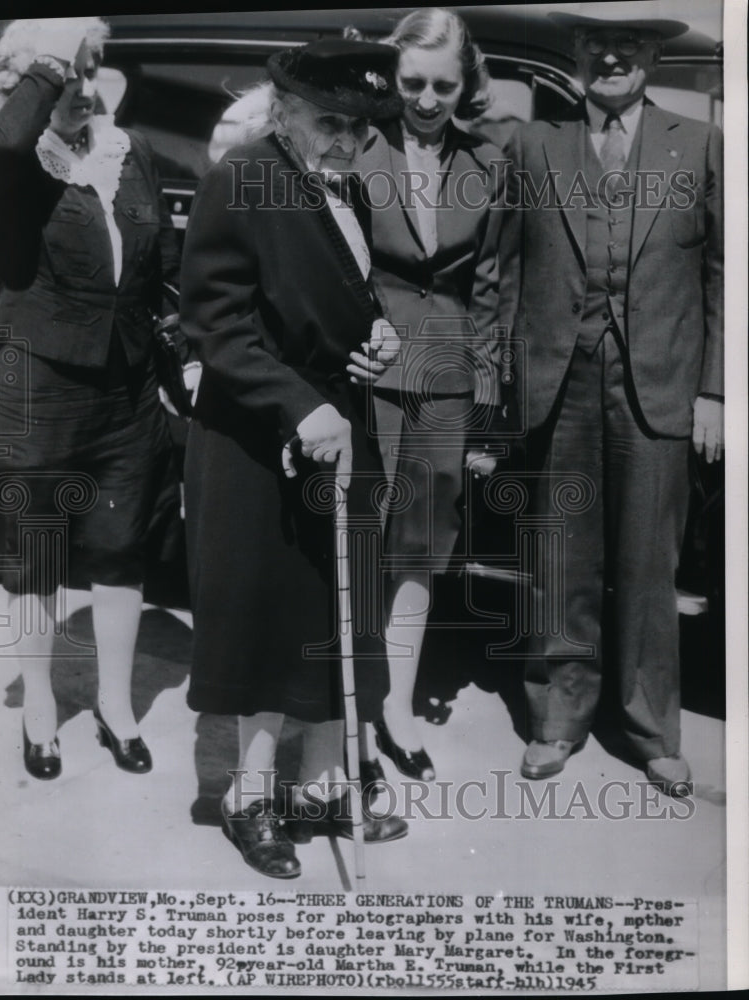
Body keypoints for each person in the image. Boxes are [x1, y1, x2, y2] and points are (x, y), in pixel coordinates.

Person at [180, 40, 409, 879]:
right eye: (330, 121)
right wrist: (301, 405)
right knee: (268, 620)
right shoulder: (242, 179)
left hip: (337, 427)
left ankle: (315, 791)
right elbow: (216, 326)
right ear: (284, 111)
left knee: (331, 616)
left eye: (361, 127)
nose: (347, 139)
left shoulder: (338, 186)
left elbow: (335, 300)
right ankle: (248, 797)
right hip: (258, 436)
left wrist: (375, 338)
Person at [497, 2, 724, 794]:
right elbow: (504, 271)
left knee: (648, 568)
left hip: (658, 383)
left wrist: (716, 392)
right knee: (561, 559)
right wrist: (504, 378)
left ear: (651, 60)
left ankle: (652, 728)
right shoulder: (535, 143)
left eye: (628, 45)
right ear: (579, 55)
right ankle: (557, 718)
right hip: (558, 381)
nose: (612, 58)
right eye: (597, 45)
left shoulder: (698, 142)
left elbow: (725, 275)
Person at [0, 17, 181, 780]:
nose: (85, 90)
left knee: (120, 549)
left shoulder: (133, 154)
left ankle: (115, 704)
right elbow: (7, 140)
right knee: (36, 553)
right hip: (39, 382)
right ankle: (39, 705)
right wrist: (51, 55)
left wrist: (174, 354)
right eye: (71, 74)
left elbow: (158, 262)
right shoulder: (8, 156)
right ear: (34, 80)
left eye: (93, 73)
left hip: (126, 388)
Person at [355, 8, 505, 783]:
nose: (426, 99)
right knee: (358, 536)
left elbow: (487, 283)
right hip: (365, 365)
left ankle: (397, 704)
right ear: (393, 76)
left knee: (421, 542)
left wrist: (483, 389)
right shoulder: (355, 146)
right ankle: (347, 702)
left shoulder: (486, 161)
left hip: (444, 373)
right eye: (413, 82)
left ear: (465, 84)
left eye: (444, 85)